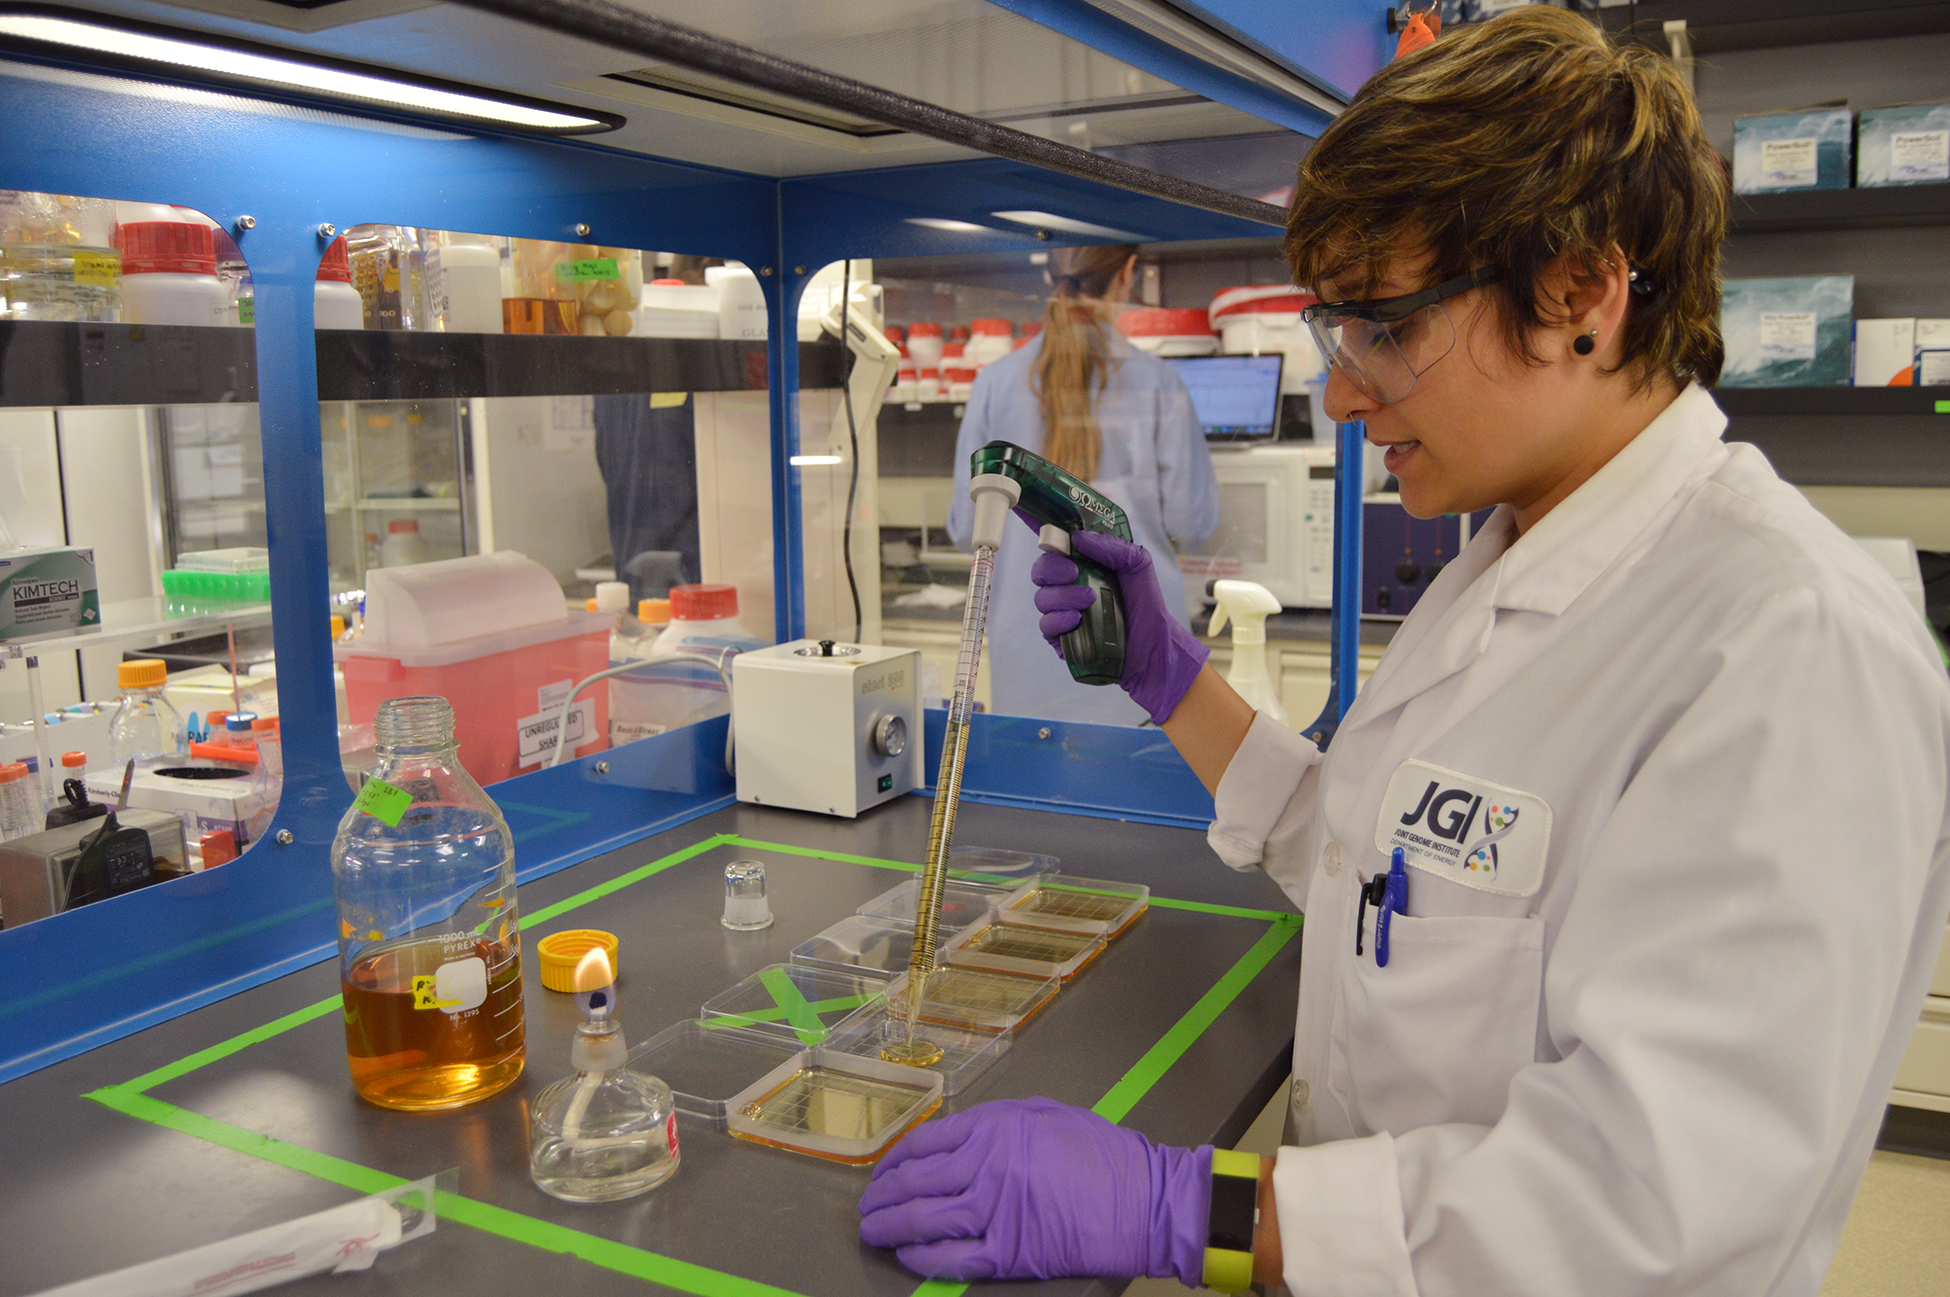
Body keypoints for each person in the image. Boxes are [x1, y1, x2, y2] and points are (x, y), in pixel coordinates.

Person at [859, 10, 1950, 1295]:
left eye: (1387, 326)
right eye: (1339, 331)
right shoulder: (1510, 553)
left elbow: (1640, 1209)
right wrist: (1169, 677)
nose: (1341, 391)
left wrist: (1183, 1209)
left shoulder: (1785, 646)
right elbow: (1395, 871)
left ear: (1584, 296)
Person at [946, 244, 1218, 724]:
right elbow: (1191, 522)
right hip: (1135, 647)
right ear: (1128, 272)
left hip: (1030, 649)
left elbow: (964, 524)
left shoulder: (994, 382)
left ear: (1049, 273)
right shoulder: (1160, 382)